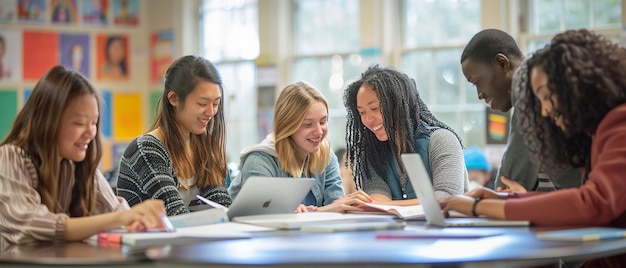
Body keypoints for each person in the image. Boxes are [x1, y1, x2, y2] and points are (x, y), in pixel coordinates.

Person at [443, 29, 626, 266]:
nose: (543, 112)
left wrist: (481, 206)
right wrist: (502, 200)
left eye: (546, 97)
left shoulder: (619, 123)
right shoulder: (596, 134)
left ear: (575, 88)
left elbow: (592, 203)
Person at [0, 66, 166, 245]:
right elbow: (31, 226)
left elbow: (117, 211)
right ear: (47, 121)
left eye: (94, 123)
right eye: (80, 123)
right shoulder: (10, 158)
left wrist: (137, 220)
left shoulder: (77, 164)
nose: (91, 133)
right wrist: (122, 218)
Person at [460, 29, 581, 193]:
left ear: (502, 63)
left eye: (477, 82)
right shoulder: (538, 80)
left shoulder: (528, 84)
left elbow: (510, 180)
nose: (479, 95)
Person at [229, 81, 372, 213]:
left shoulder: (325, 155)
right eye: (308, 124)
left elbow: (338, 205)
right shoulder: (259, 162)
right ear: (287, 126)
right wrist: (324, 211)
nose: (319, 131)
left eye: (323, 121)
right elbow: (264, 217)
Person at [116, 55, 232, 216]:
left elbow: (222, 208)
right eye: (202, 104)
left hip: (189, 239)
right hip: (152, 239)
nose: (211, 112)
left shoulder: (206, 145)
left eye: (216, 103)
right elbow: (175, 214)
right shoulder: (147, 149)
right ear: (174, 98)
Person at [343, 65, 468, 206]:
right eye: (362, 112)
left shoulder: (441, 140)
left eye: (375, 108)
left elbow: (446, 198)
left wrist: (379, 205)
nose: (368, 119)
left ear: (399, 104)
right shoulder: (373, 153)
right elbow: (377, 197)